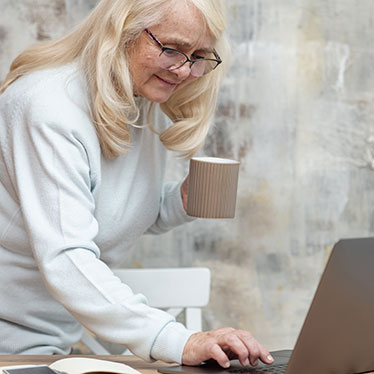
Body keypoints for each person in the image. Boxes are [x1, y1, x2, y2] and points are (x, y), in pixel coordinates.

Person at [0, 0, 274, 368]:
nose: (184, 69)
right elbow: (66, 256)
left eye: (198, 55)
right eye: (172, 48)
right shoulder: (48, 107)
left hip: (47, 349)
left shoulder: (136, 101)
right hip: (10, 351)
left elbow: (111, 210)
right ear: (122, 31)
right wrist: (176, 339)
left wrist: (180, 201)